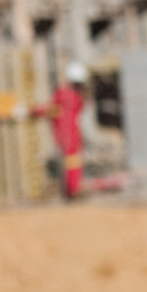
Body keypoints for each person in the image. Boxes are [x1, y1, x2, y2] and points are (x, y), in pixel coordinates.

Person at [52, 60, 89, 200]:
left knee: (70, 162)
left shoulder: (60, 93)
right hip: (70, 133)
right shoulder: (74, 96)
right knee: (72, 162)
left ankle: (70, 189)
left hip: (64, 133)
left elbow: (52, 110)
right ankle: (72, 190)